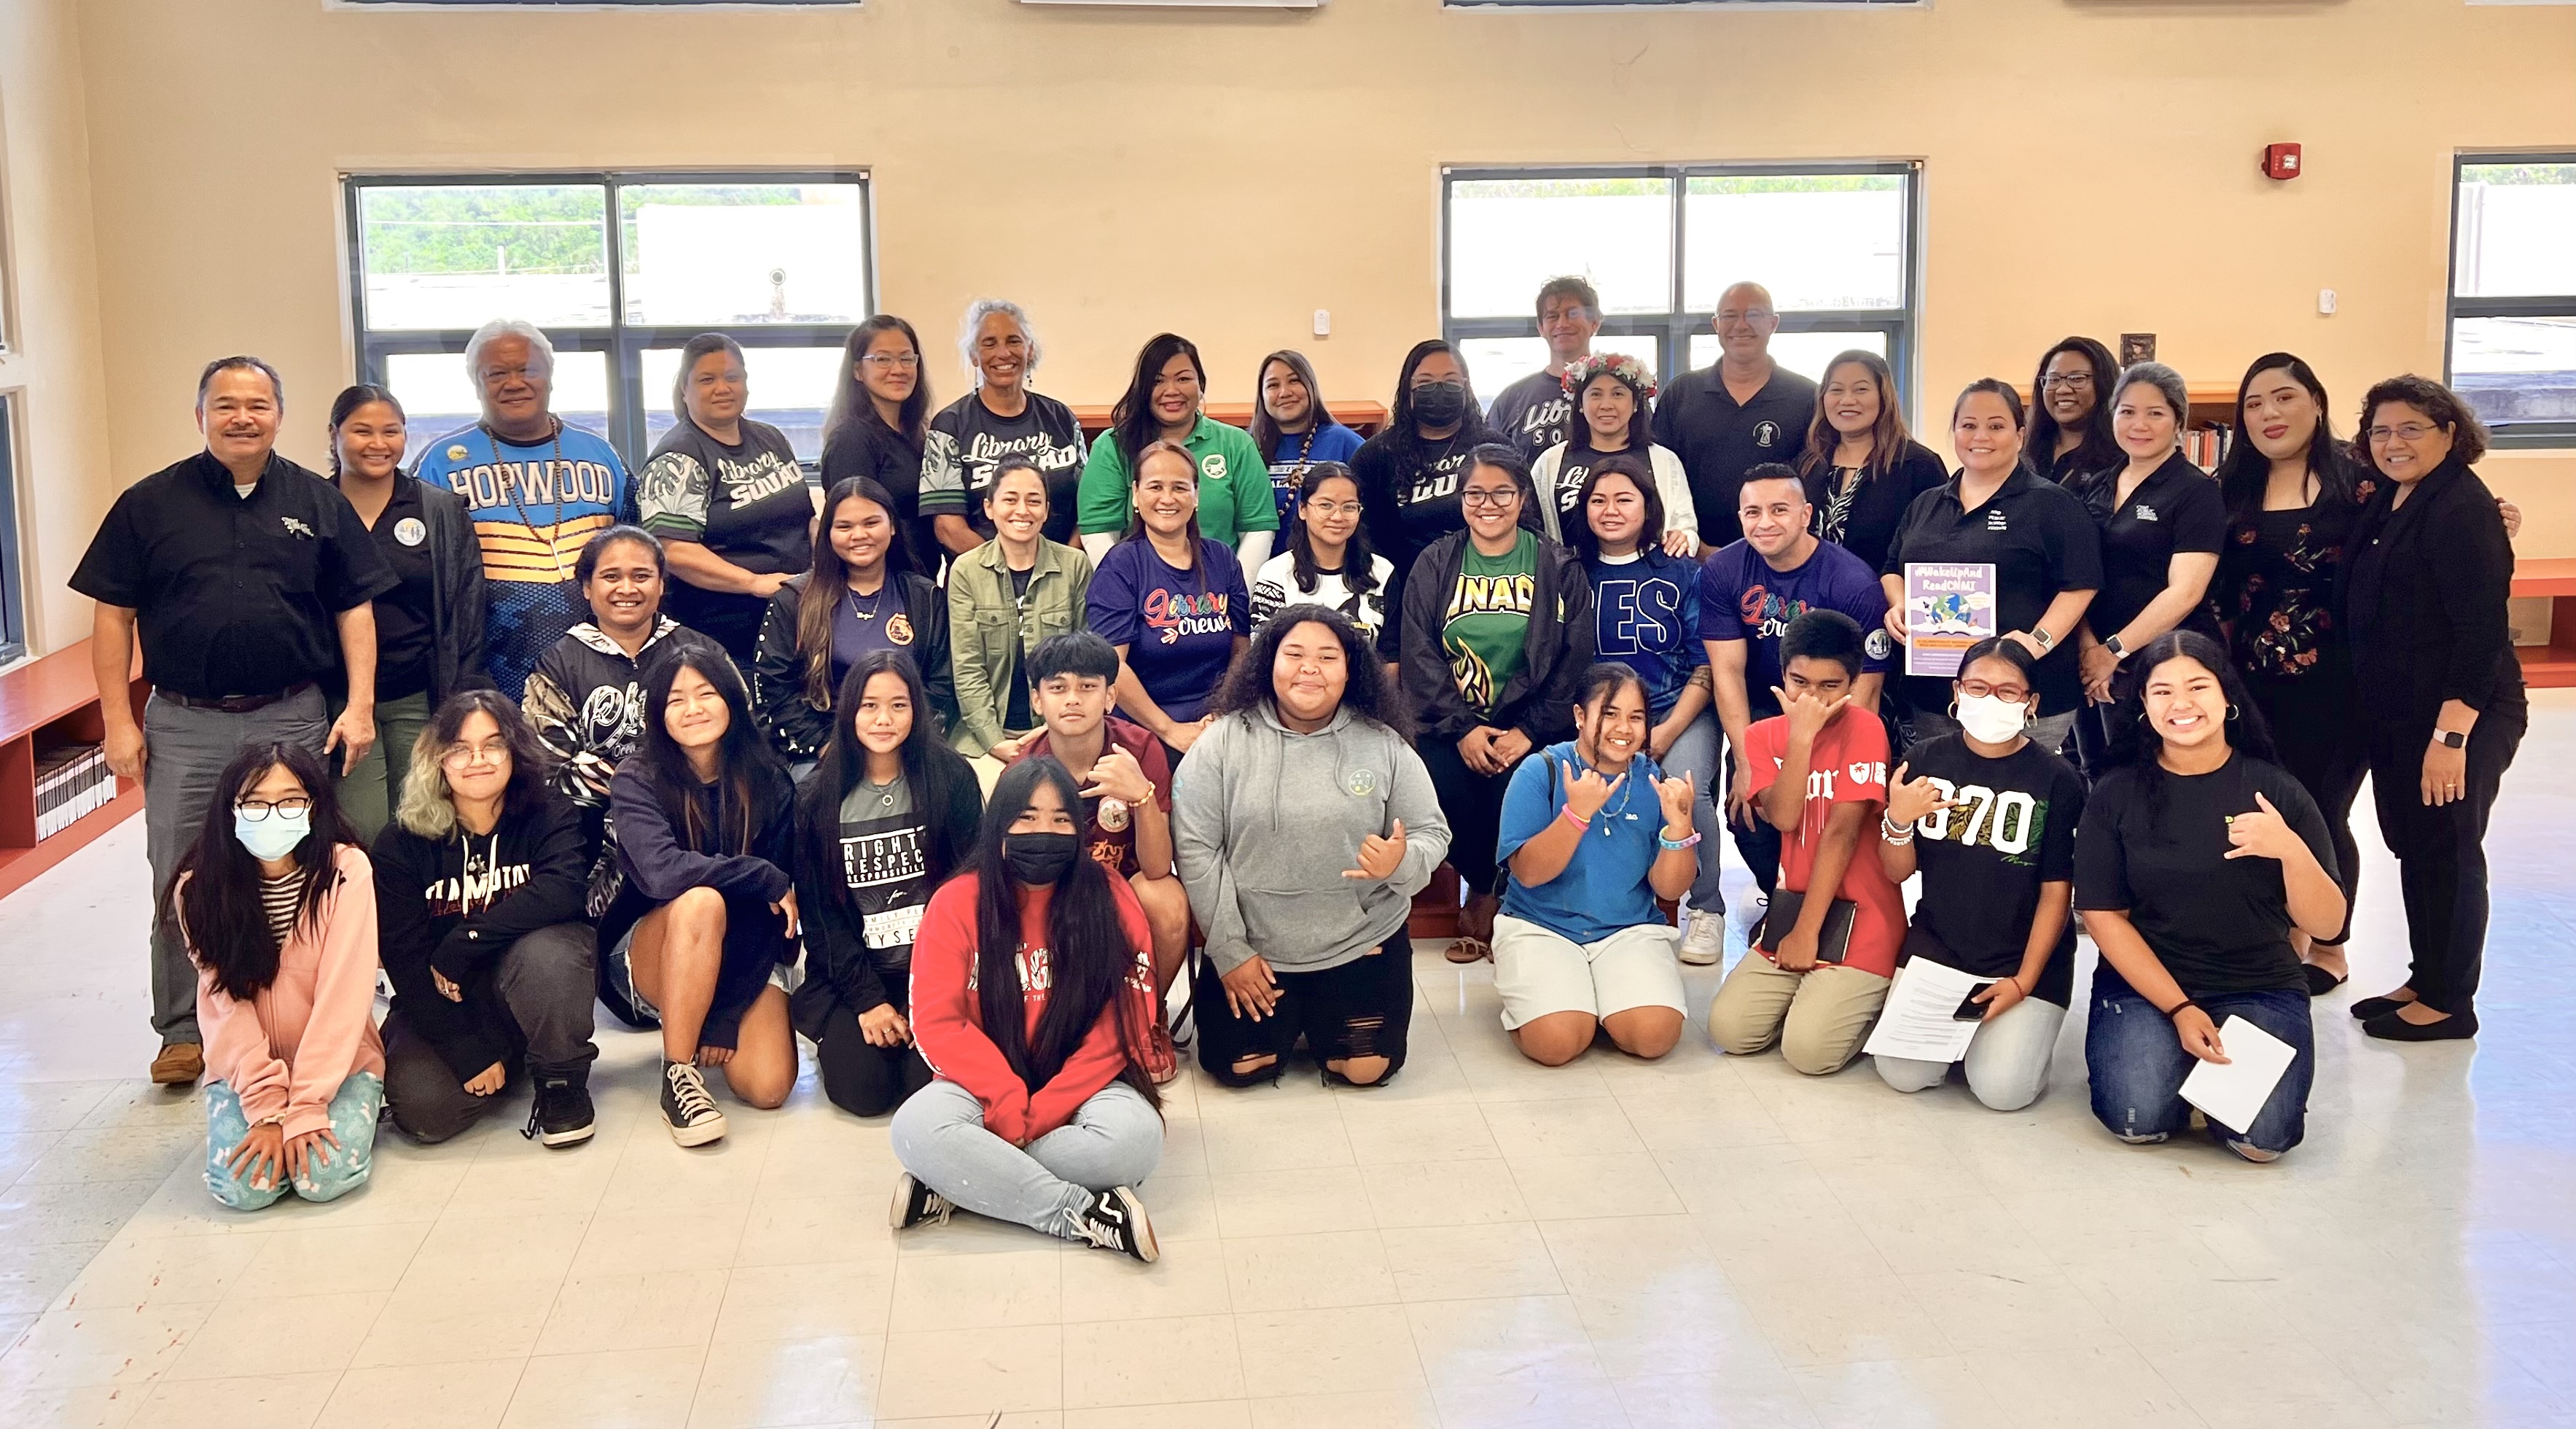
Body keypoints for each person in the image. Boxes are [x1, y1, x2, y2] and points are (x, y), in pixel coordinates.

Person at [73, 355, 396, 1086]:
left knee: (303, 868)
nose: (241, 416)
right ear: (200, 416)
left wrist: (361, 704)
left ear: (279, 415)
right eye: (225, 405)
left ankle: (297, 1012)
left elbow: (355, 608)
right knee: (182, 874)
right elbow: (112, 614)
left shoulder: (318, 501)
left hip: (292, 716)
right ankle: (183, 1031)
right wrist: (118, 721)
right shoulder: (148, 504)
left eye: (257, 404)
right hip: (183, 722)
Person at [888, 757, 1168, 1261]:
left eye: (1061, 819)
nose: (1045, 832)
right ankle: (1080, 1214)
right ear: (997, 826)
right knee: (913, 1129)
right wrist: (1006, 1097)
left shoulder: (1109, 895)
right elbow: (937, 1023)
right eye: (1027, 817)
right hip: (979, 1087)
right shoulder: (956, 902)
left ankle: (960, 1182)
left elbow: (1125, 1022)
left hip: (1089, 1085)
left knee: (1135, 1142)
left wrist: (1041, 1112)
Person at [2078, 632, 2344, 1160]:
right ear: (2143, 707)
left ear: (2227, 697)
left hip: (2258, 983)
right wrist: (2178, 1007)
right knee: (2140, 1123)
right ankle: (2182, 1065)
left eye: (2197, 686)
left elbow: (2329, 924)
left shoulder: (2276, 790)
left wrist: (2291, 851)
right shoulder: (2116, 792)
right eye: (2162, 692)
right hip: (2151, 986)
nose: (2181, 704)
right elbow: (2104, 917)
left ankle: (2214, 1070)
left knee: (2261, 1142)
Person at [1174, 608, 1450, 1086]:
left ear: (1351, 670)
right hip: (1256, 951)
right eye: (1294, 654)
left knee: (1366, 1069)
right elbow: (1197, 849)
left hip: (1361, 944)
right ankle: (1298, 1018)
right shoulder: (1221, 742)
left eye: (1327, 657)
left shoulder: (1383, 744)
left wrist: (1401, 862)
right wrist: (1230, 951)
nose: (1310, 668)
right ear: (1268, 663)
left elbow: (1431, 832)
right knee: (1240, 1068)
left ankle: (1323, 1014)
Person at [2341, 376, 2526, 1043]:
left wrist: (2450, 738)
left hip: (2459, 716)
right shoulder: (2398, 499)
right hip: (2400, 711)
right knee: (2415, 846)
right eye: (2382, 431)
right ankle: (2428, 976)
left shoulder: (2460, 507)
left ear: (2450, 433)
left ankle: (2452, 1001)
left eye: (2412, 428)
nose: (2394, 443)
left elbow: (2480, 633)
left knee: (2447, 848)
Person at [2206, 354, 2369, 992]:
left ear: (2317, 403)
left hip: (2340, 686)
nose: (2269, 414)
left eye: (2284, 397)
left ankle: (2329, 945)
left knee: (2322, 811)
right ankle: (2283, 934)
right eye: (2254, 403)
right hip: (2252, 684)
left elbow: (2421, 537)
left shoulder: (2360, 484)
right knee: (2264, 808)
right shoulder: (2230, 488)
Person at [373, 690, 598, 1147]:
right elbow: (404, 958)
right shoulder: (400, 842)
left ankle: (560, 1078)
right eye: (460, 748)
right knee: (425, 1113)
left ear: (515, 750)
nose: (478, 759)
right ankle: (512, 1057)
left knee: (553, 951)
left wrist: (465, 940)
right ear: (437, 758)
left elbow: (562, 892)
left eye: (493, 745)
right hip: (448, 1002)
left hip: (529, 979)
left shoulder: (548, 812)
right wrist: (463, 1049)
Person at [520, 526, 725, 1017]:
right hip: (595, 844)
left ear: (662, 584)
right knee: (624, 997)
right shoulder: (559, 661)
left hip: (695, 827)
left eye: (641, 575)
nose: (627, 588)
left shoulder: (700, 652)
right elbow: (546, 765)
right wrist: (631, 794)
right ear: (587, 588)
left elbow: (740, 743)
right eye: (611, 576)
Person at [598, 647, 802, 1143]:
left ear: (732, 699)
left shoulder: (769, 779)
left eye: (706, 693)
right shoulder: (637, 777)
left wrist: (726, 1016)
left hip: (744, 952)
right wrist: (759, 874)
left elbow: (776, 915)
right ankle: (678, 1073)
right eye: (676, 699)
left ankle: (705, 1015)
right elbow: (664, 875)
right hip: (651, 953)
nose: (693, 709)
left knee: (768, 1086)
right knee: (700, 900)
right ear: (658, 715)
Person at [1871, 639, 2085, 1110]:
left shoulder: (2058, 779)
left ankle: (2014, 1039)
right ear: (1957, 690)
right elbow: (1895, 871)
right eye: (1978, 687)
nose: (1991, 699)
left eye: (2009, 692)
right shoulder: (1923, 761)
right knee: (1901, 1073)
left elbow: (2057, 893)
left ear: (2031, 704)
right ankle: (1965, 1037)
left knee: (2002, 1091)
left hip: (2023, 956)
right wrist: (1899, 820)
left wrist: (2025, 981)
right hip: (1941, 945)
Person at [1399, 445, 1593, 965]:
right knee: (1440, 789)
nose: (1489, 504)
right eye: (1475, 494)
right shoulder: (1436, 562)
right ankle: (1482, 885)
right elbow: (1417, 651)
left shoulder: (1556, 564)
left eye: (1502, 492)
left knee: (1522, 787)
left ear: (1523, 496)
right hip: (1450, 723)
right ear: (1461, 498)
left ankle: (1508, 898)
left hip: (1533, 723)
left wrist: (1528, 730)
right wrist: (1463, 729)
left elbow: (1574, 658)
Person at [171, 742, 383, 1209]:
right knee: (246, 1189)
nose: (274, 814)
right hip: (244, 1073)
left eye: (290, 800)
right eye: (256, 802)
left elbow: (343, 999)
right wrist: (268, 1112)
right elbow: (223, 1008)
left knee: (321, 1176)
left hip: (341, 1067)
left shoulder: (346, 872)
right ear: (231, 811)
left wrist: (306, 1105)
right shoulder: (197, 891)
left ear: (314, 806)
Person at [1709, 611, 1906, 1076]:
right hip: (1793, 906)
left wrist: (1807, 933)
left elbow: (1842, 832)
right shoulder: (1761, 736)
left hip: (1863, 915)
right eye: (1800, 681)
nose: (1812, 698)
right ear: (1782, 675)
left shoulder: (1865, 728)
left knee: (1809, 1054)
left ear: (1854, 683)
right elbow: (1784, 816)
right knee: (1730, 1031)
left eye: (1829, 685)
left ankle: (1871, 999)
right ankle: (1817, 996)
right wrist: (1801, 738)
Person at [792, 653, 984, 1117]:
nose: (884, 719)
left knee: (930, 1088)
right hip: (859, 974)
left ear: (917, 710)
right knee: (863, 1092)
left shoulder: (951, 777)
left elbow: (971, 891)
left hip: (938, 969)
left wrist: (938, 996)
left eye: (898, 705)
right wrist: (870, 1002)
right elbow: (822, 922)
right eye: (869, 705)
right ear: (849, 712)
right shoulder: (818, 797)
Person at [1697, 465, 1892, 921]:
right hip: (1768, 704)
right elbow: (1727, 672)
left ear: (1806, 514)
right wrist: (1746, 761)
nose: (1765, 522)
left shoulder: (1852, 582)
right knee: (1748, 810)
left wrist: (1831, 764)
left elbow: (1867, 688)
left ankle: (1834, 904)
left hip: (1838, 705)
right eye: (1753, 512)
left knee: (1830, 811)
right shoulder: (1724, 570)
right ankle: (1781, 897)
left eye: (1779, 510)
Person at [411, 319, 633, 696]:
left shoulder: (602, 455)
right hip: (484, 673)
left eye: (527, 370)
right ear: (477, 384)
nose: (514, 383)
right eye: (496, 373)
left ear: (550, 377)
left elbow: (640, 555)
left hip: (600, 673)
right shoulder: (439, 464)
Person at [1490, 663, 1698, 1066]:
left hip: (1628, 929)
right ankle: (1560, 998)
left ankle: (1595, 996)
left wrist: (1680, 827)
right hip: (1541, 926)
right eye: (1609, 714)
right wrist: (1576, 816)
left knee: (1655, 1038)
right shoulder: (1541, 770)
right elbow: (1529, 873)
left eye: (1636, 717)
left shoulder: (1654, 779)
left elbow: (1670, 890)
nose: (1624, 728)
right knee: (1557, 1044)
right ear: (1580, 717)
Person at [1879, 381, 2102, 749]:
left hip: (2028, 695)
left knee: (2021, 802)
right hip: (1937, 694)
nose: (1980, 436)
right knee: (1947, 800)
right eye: (1968, 425)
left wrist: (2037, 642)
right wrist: (1900, 603)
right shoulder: (1927, 503)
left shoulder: (2053, 504)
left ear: (2020, 435)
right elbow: (1892, 567)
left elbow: (2081, 584)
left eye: (1996, 426)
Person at [1569, 457, 1725, 960]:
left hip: (1678, 709)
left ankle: (1707, 910)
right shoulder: (1569, 572)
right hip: (1596, 720)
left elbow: (1706, 665)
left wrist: (1668, 729)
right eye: (1598, 500)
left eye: (1624, 499)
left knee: (1687, 790)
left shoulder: (1682, 571)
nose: (1610, 510)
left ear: (1648, 507)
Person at [324, 383, 489, 845]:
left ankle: (421, 916)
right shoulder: (313, 506)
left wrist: (458, 697)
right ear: (334, 435)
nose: (379, 444)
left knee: (422, 821)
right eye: (362, 431)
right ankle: (366, 915)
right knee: (363, 828)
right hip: (336, 699)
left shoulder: (437, 509)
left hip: (417, 694)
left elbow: (466, 607)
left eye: (391, 431)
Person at [1002, 634, 1192, 993]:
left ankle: (1149, 1019)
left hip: (1124, 890)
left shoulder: (1139, 748)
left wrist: (1141, 795)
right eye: (1057, 688)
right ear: (1037, 701)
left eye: (1087, 686)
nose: (1073, 698)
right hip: (1052, 893)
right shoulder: (1022, 771)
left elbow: (1156, 868)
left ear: (1110, 697)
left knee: (1165, 897)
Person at [2069, 363, 2227, 778]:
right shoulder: (2096, 485)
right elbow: (2078, 574)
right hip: (2093, 662)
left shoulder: (2196, 491)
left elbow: (2186, 592)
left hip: (2165, 663)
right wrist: (2088, 649)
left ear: (2178, 422)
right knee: (2096, 775)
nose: (2139, 424)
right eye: (2127, 411)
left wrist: (2112, 652)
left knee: (2153, 780)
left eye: (2155, 413)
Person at [641, 332, 818, 665]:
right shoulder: (678, 457)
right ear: (685, 388)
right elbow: (674, 550)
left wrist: (827, 566)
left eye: (732, 377)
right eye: (707, 379)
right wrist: (754, 583)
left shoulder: (771, 438)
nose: (722, 388)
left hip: (794, 619)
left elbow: (805, 518)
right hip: (722, 633)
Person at [753, 475, 956, 764]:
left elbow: (942, 686)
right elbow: (775, 692)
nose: (859, 535)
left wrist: (901, 746)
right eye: (844, 526)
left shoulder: (925, 598)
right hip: (822, 753)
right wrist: (826, 748)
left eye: (871, 523)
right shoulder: (793, 600)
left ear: (893, 526)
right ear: (828, 534)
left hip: (909, 748)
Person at [1083, 440, 1252, 760]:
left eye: (1180, 487)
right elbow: (1112, 664)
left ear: (1196, 495)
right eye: (1155, 486)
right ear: (1135, 494)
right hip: (1143, 728)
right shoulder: (1120, 565)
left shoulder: (1222, 558)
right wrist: (1169, 730)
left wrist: (1221, 714)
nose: (1167, 498)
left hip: (1219, 720)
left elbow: (1242, 649)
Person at [1074, 332, 1275, 568]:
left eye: (1183, 379)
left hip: (1219, 593)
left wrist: (1235, 596)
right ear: (1143, 389)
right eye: (1158, 381)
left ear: (1201, 385)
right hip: (1137, 591)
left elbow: (1258, 530)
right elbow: (1099, 532)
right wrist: (1126, 589)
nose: (1171, 390)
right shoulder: (1112, 446)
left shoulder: (1237, 444)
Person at [945, 455, 1095, 759]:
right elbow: (967, 667)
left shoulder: (1075, 565)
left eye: (1034, 501)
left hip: (1060, 732)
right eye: (1010, 499)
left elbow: (1085, 659)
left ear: (1046, 510)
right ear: (989, 508)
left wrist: (1054, 734)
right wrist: (994, 741)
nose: (1022, 511)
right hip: (984, 738)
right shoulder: (966, 570)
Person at [1655, 281, 1819, 550]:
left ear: (1773, 324)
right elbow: (1660, 476)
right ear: (1716, 324)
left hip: (1779, 558)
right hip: (1692, 556)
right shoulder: (1682, 393)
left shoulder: (1806, 396)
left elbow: (1814, 481)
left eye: (1754, 315)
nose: (1741, 325)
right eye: (1730, 316)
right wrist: (1697, 547)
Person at [920, 299, 1090, 555]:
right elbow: (948, 527)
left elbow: (1089, 506)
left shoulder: (1062, 418)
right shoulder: (950, 425)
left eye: (1014, 341)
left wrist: (1063, 567)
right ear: (974, 356)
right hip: (981, 581)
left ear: (1030, 349)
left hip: (1061, 579)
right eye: (989, 344)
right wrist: (1005, 570)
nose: (1003, 353)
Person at [1353, 339, 1502, 625]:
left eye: (1449, 381)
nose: (1438, 390)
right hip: (1405, 598)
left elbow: (1526, 524)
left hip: (1488, 594)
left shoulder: (1493, 448)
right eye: (1425, 381)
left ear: (1466, 386)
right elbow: (1362, 535)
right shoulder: (1376, 455)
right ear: (1408, 389)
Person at [1795, 349, 1948, 576]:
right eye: (1836, 390)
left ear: (1883, 396)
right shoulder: (1807, 464)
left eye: (1861, 389)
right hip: (1809, 602)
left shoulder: (1919, 466)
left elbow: (1941, 546)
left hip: (1887, 603)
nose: (1847, 400)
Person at [1530, 352, 1700, 556]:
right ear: (1581, 405)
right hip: (1568, 582)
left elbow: (1685, 526)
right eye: (1596, 394)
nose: (1606, 405)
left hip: (1645, 581)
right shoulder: (1550, 462)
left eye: (1618, 394)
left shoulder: (1664, 460)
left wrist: (1683, 537)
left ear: (1636, 404)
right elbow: (1532, 527)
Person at [819, 315, 937, 572]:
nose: (898, 370)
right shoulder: (851, 441)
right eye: (882, 359)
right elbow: (856, 536)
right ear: (858, 370)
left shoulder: (914, 433)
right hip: (884, 591)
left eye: (907, 358)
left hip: (920, 583)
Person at [1249, 462, 1397, 658]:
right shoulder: (1275, 573)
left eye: (1349, 507)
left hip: (1366, 688)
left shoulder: (1382, 572)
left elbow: (1390, 657)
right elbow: (1263, 655)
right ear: (1303, 510)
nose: (1337, 516)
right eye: (1325, 505)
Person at [1486, 276, 1604, 459]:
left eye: (1573, 313)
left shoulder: (1622, 394)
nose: (1563, 324)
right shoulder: (1511, 400)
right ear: (1541, 327)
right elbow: (1490, 463)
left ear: (1594, 322)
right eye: (1553, 316)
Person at [1248, 349, 1365, 526]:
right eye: (1273, 385)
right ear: (1261, 395)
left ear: (1310, 386)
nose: (1284, 392)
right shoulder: (1246, 446)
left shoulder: (1345, 442)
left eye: (1294, 380)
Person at [2026, 337, 2124, 487]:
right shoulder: (2024, 452)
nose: (2062, 389)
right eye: (2053, 379)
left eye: (2077, 378)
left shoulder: (2121, 459)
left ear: (2104, 383)